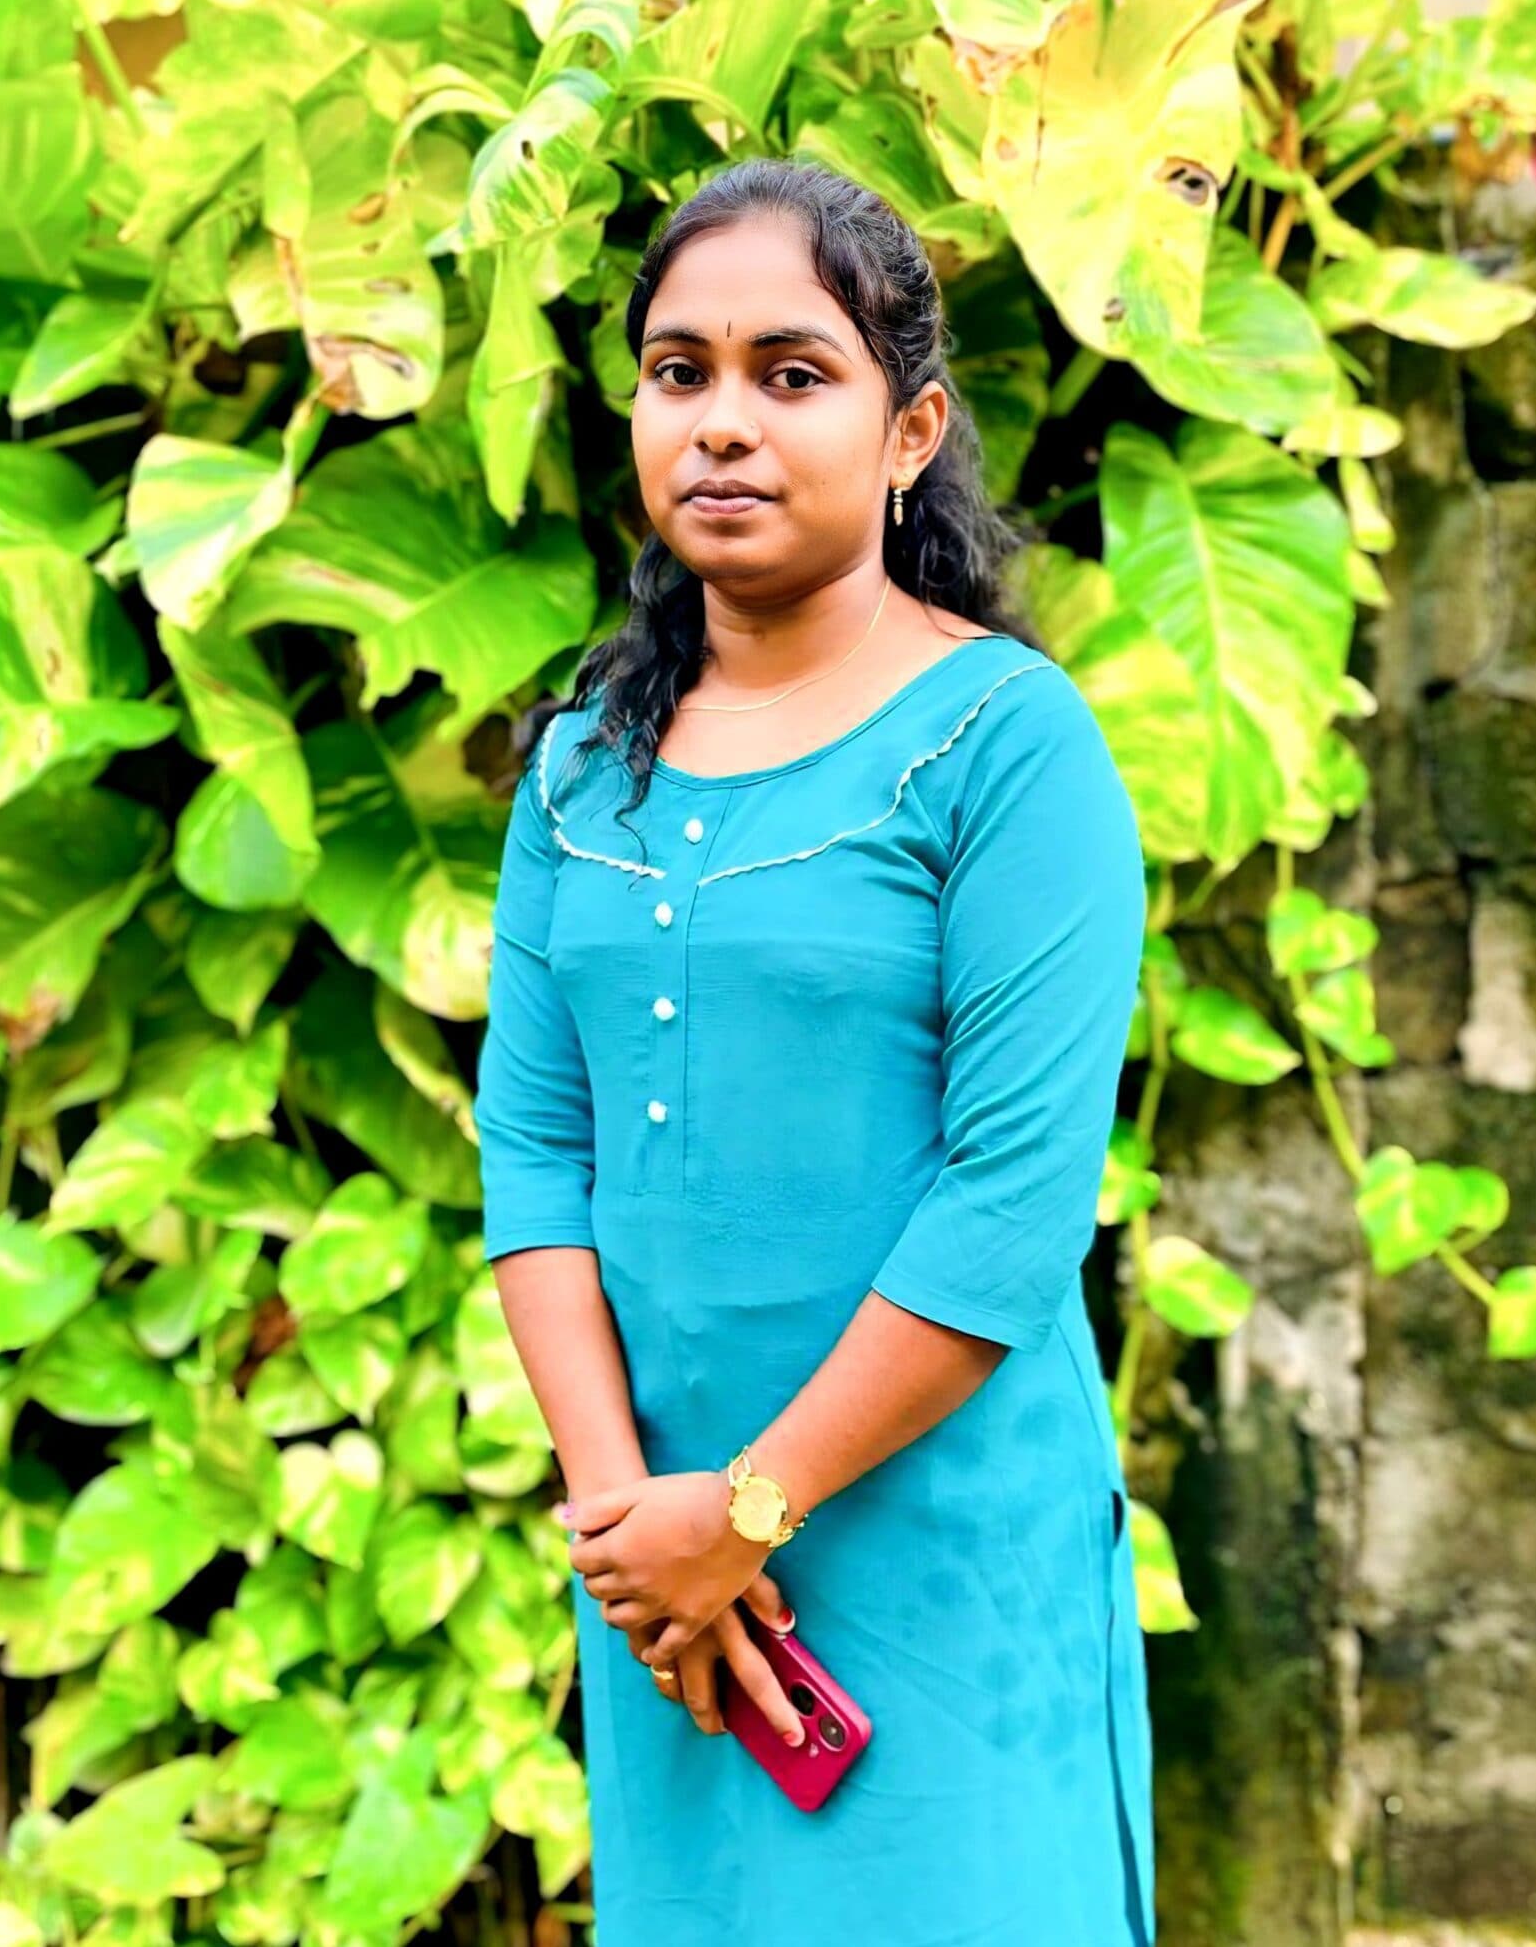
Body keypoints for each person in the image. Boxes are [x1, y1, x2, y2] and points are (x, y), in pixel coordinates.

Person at [475, 157, 1153, 1946]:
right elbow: (537, 1157)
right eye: (678, 372)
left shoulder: (1007, 750)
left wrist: (755, 1505)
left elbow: (1011, 1206)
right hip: (673, 1588)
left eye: (793, 373)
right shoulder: (577, 771)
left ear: (912, 425)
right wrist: (633, 1514)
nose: (722, 423)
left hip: (931, 1565)